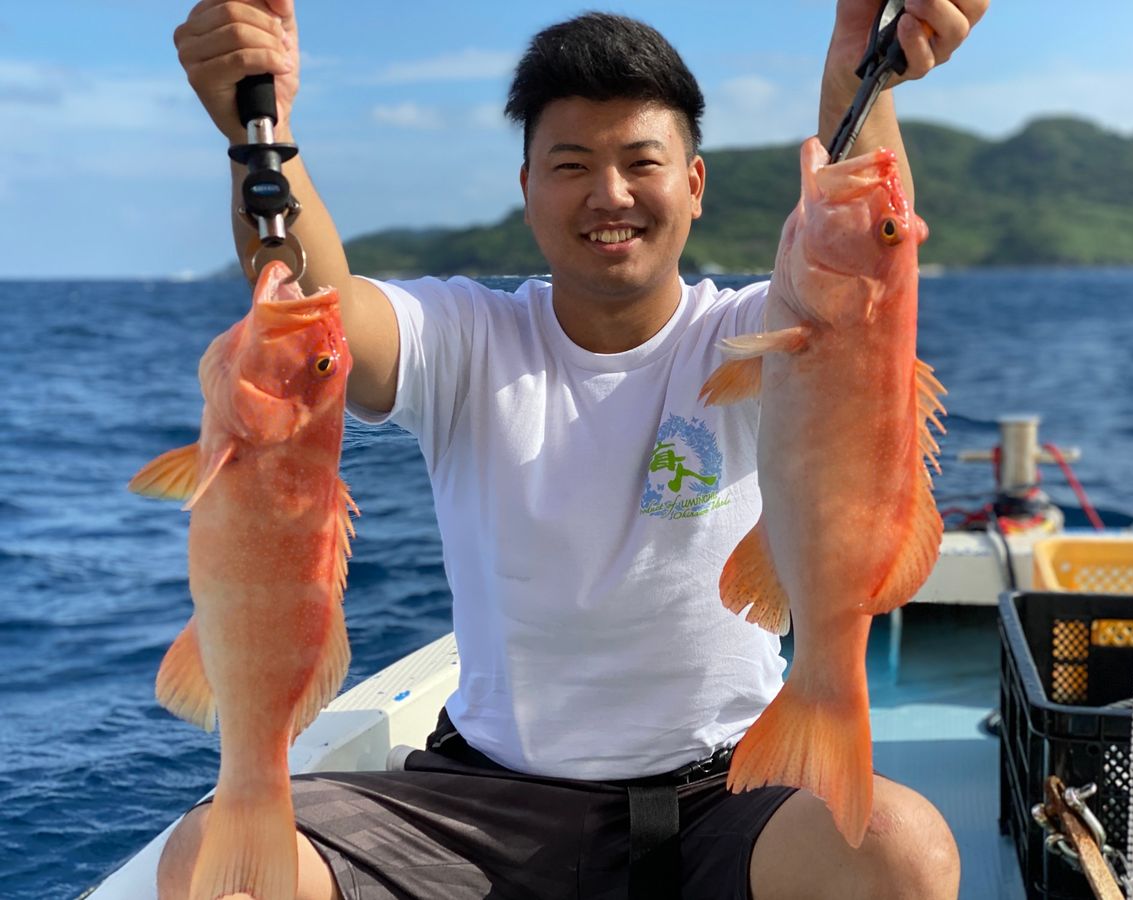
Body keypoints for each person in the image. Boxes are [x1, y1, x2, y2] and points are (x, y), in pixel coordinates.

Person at [163, 1, 988, 898]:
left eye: (642, 162)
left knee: (904, 853)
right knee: (214, 864)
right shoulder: (465, 338)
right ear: (527, 189)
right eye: (571, 165)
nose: (611, 194)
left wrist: (856, 75)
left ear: (697, 184)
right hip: (478, 808)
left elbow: (869, 277)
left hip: (724, 792)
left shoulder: (766, 335)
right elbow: (322, 327)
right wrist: (262, 134)